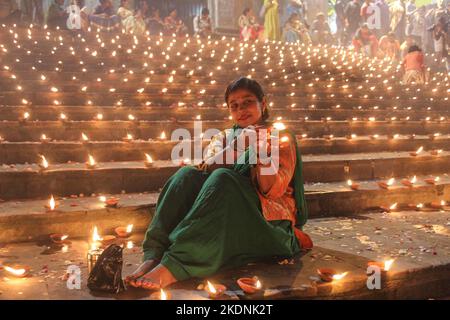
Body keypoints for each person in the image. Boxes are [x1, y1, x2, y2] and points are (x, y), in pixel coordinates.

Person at [125, 77, 312, 289]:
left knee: (224, 179)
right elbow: (207, 167)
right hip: (227, 214)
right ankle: (155, 254)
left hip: (268, 223)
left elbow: (272, 190)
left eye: (248, 102)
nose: (241, 109)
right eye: (234, 106)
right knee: (186, 175)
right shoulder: (225, 137)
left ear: (263, 103)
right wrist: (240, 145)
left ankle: (176, 265)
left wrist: (260, 151)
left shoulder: (279, 137)